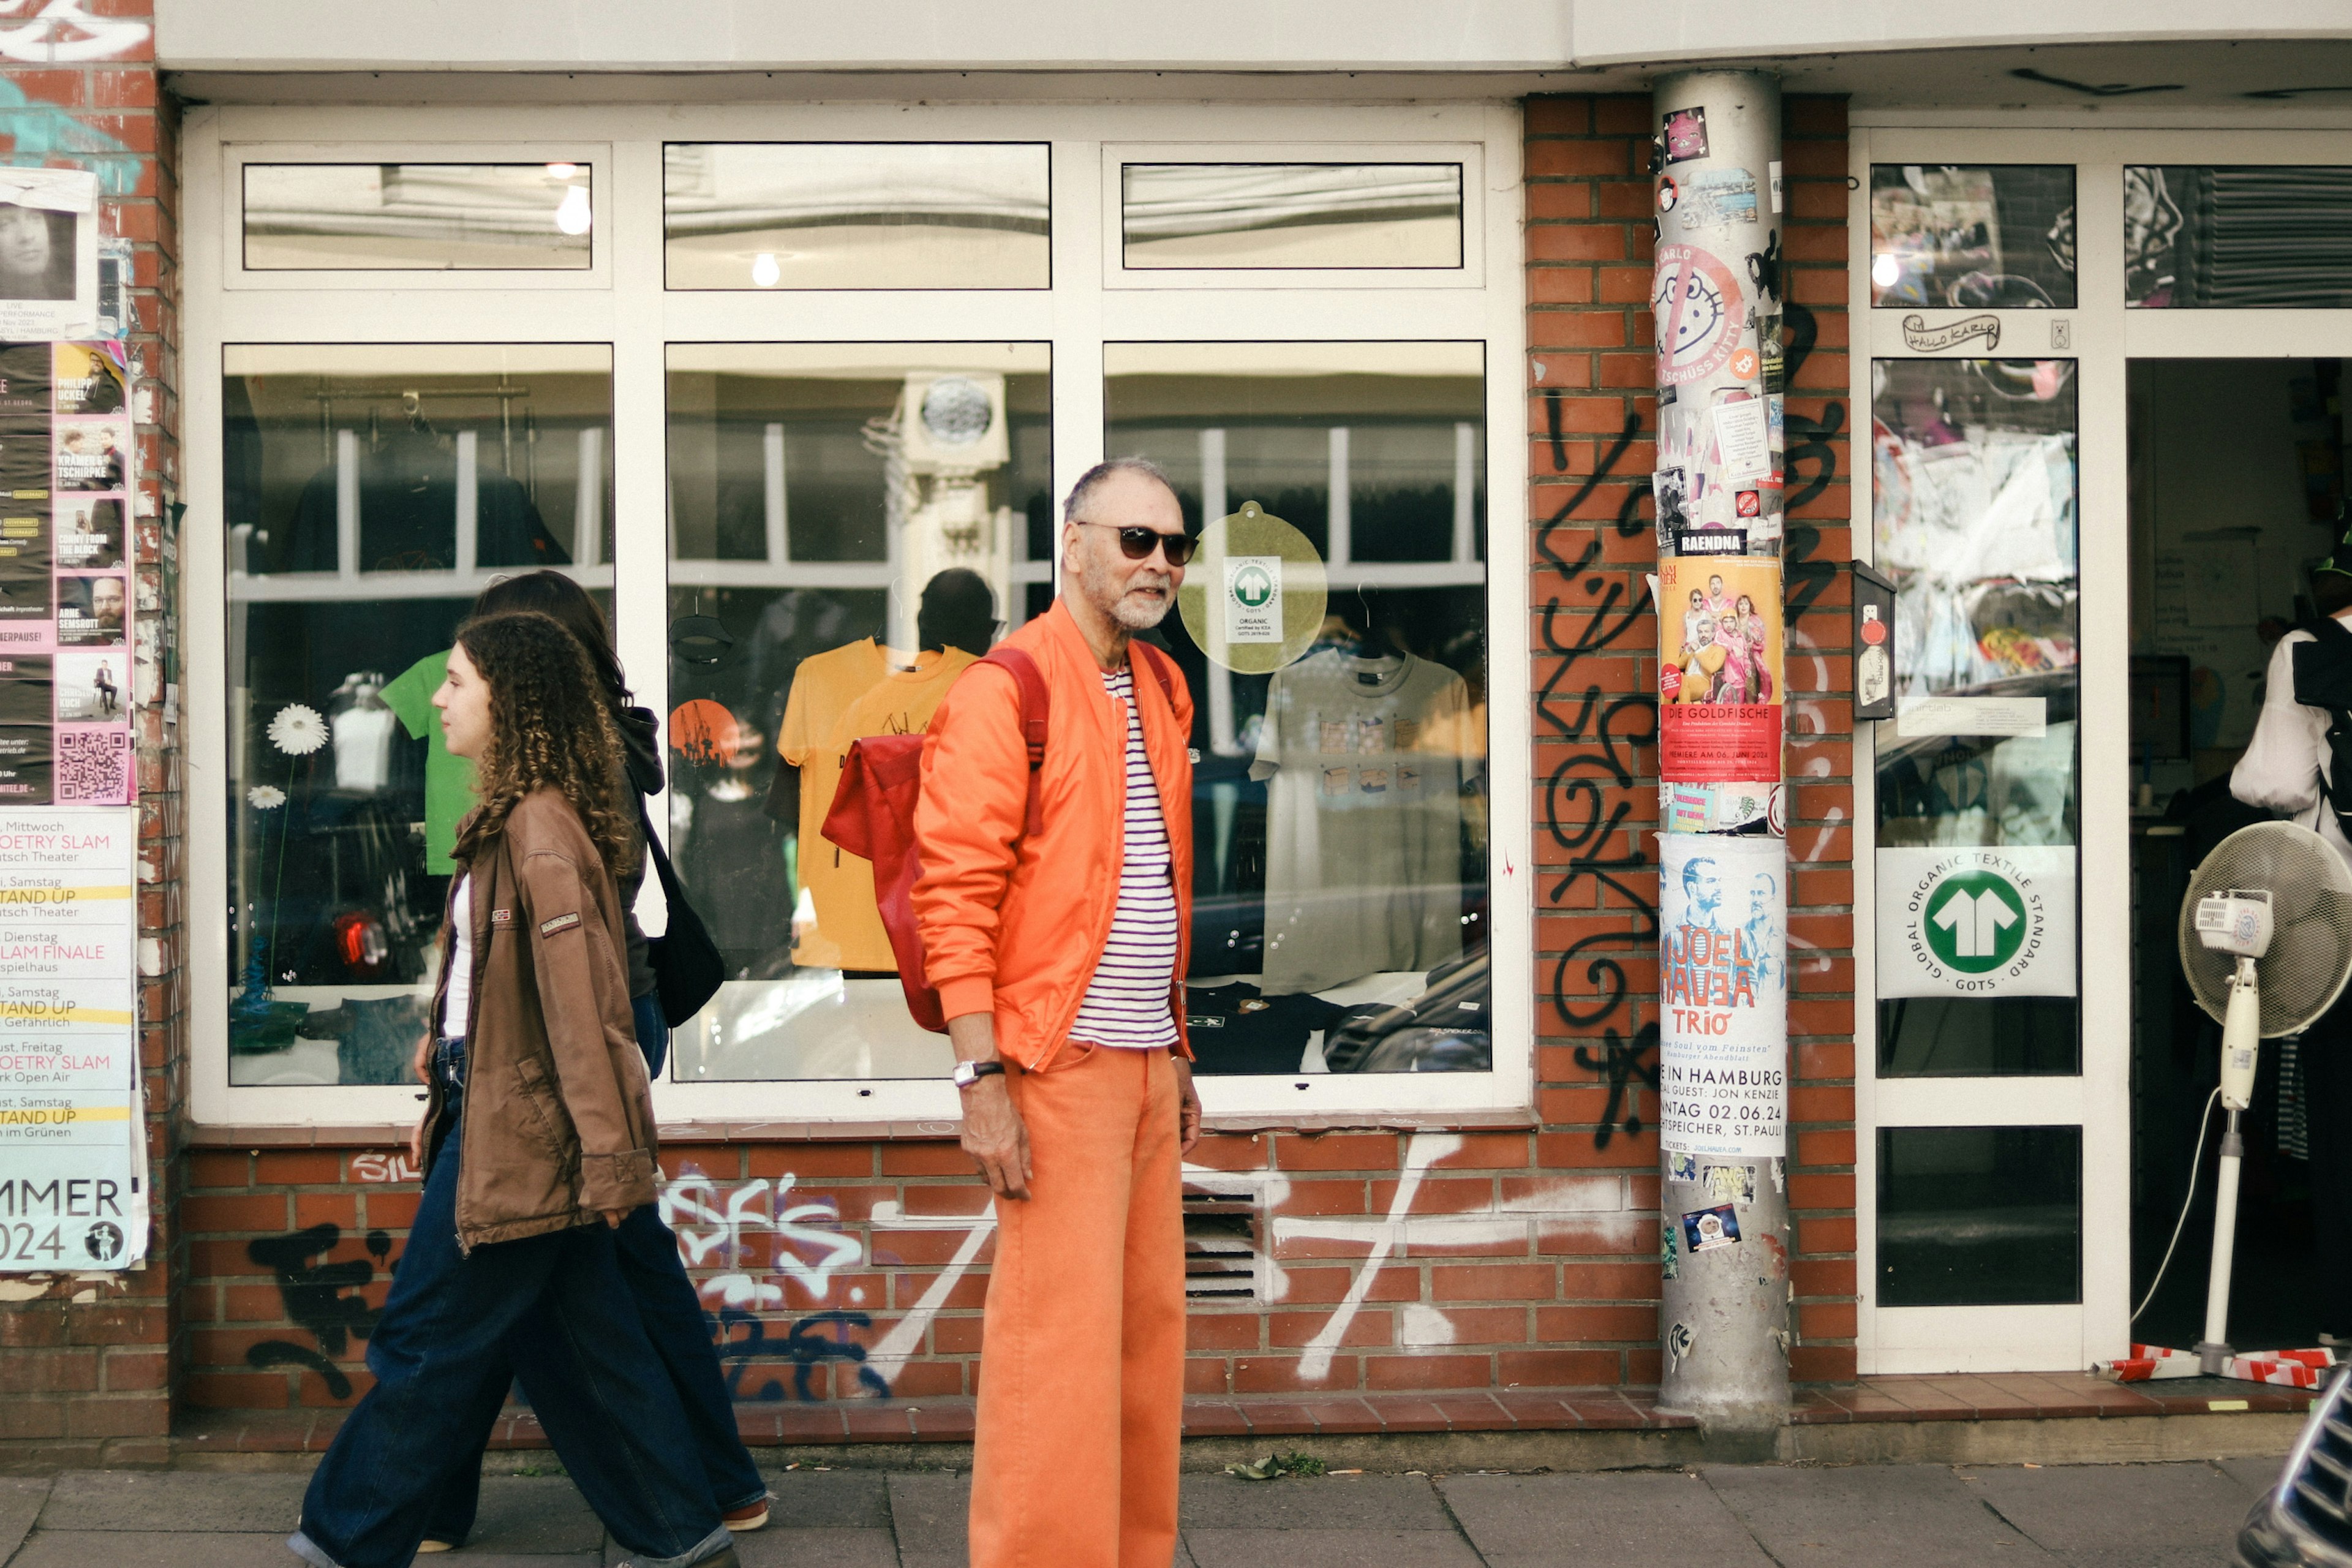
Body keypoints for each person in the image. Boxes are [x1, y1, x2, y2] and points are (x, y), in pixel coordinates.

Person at [288, 612, 739, 1568]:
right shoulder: (516, 813)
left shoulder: (537, 827)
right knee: (589, 1354)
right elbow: (487, 994)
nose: (440, 699)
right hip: (497, 1106)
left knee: (420, 1344)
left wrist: (613, 1160)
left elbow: (584, 1015)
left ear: (511, 699)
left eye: (456, 682)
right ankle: (682, 1535)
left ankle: (341, 1541)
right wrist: (441, 1086)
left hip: (523, 1126)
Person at [405, 572, 772, 1553]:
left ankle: (702, 1495)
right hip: (581, 1026)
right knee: (564, 1270)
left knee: (534, 1263)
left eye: (482, 658)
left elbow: (559, 929)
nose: (459, 687)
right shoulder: (596, 744)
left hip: (570, 1033)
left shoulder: (568, 761)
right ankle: (703, 1494)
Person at [913, 456, 1205, 1568]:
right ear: (1072, 546)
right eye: (1137, 540)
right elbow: (956, 899)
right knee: (1056, 1355)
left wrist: (1173, 1049)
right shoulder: (1007, 687)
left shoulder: (1164, 687)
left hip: (1138, 1066)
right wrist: (981, 1081)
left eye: (1176, 547)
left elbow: (1154, 880)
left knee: (1142, 1348)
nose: (1160, 565)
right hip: (1051, 1065)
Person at [2231, 529, 2352, 1338]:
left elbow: (2272, 781)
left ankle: (2345, 1313)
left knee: (2342, 1113)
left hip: (2341, 915)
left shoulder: (2310, 653)